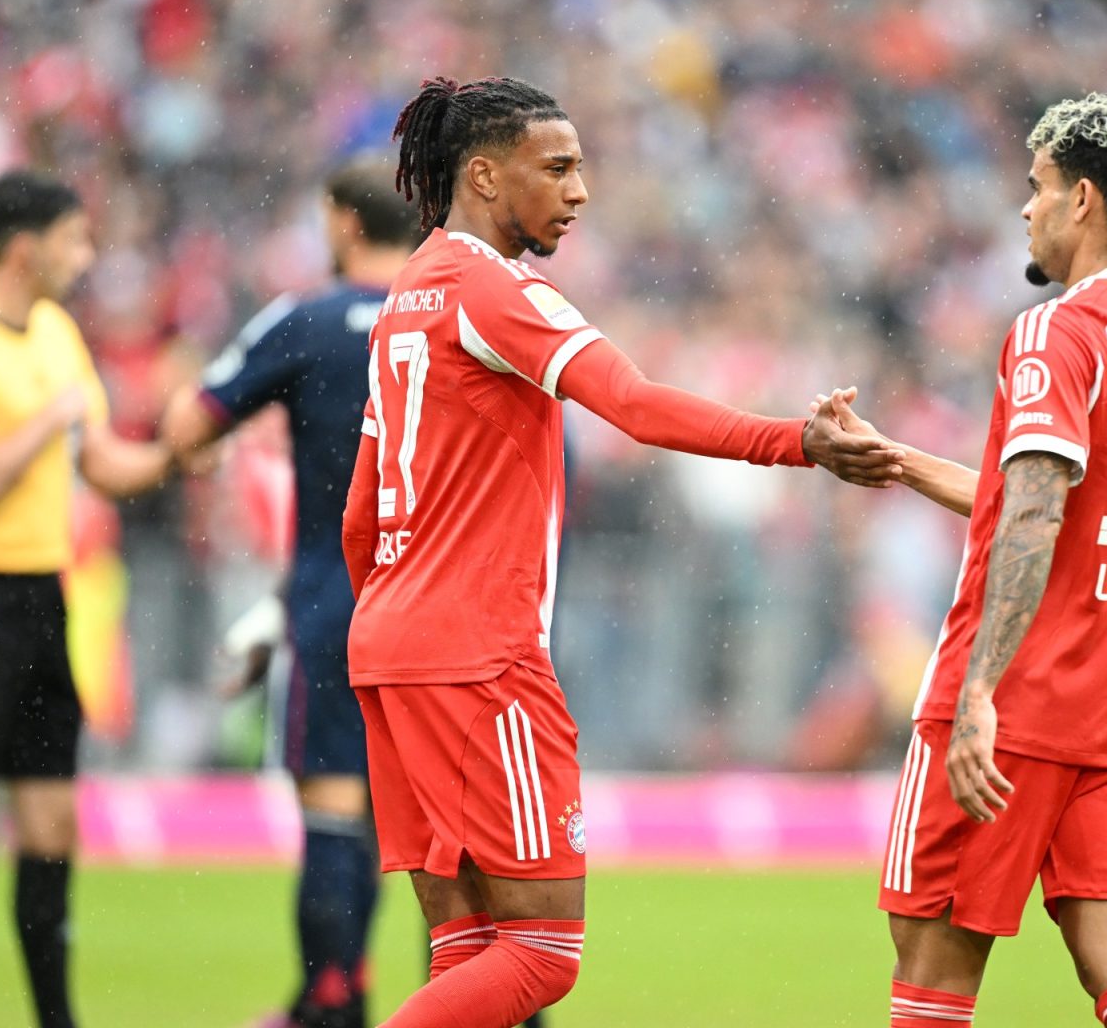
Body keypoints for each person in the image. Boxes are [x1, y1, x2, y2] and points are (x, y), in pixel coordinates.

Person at [339, 74, 899, 1028]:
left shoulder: (409, 294)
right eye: (556, 168)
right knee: (542, 952)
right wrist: (795, 442)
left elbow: (361, 512)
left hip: (392, 645)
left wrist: (394, 625)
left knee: (468, 947)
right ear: (484, 175)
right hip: (477, 653)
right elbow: (633, 404)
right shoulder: (497, 290)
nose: (580, 191)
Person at [857, 92, 1107, 1028]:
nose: (1026, 207)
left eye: (1037, 186)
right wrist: (903, 463)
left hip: (1017, 701)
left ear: (1081, 199)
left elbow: (1040, 512)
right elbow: (1065, 502)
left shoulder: (1057, 329)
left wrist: (979, 691)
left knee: (932, 970)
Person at [0, 170, 177, 1028]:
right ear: (25, 248)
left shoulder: (58, 333)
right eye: (74, 240)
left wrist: (176, 452)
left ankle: (56, 1020)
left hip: (42, 601)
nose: (86, 257)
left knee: (53, 823)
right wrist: (48, 419)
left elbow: (100, 460)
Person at [162, 160, 419, 1028]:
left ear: (344, 223)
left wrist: (201, 448)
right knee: (433, 831)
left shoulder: (303, 321)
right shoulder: (456, 320)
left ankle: (330, 1003)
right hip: (440, 610)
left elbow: (189, 425)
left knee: (335, 812)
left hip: (335, 600)